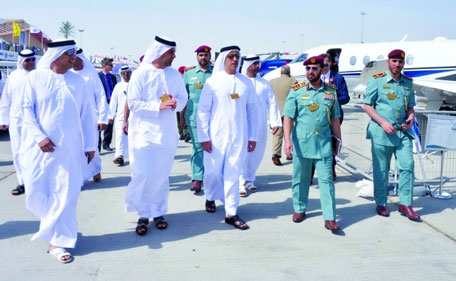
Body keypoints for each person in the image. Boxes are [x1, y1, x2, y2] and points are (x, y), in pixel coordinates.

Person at [19, 39, 96, 263]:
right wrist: (39, 137)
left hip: (70, 149)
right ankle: (52, 225)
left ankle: (59, 241)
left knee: (66, 193)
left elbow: (87, 115)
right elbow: (26, 110)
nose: (74, 58)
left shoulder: (79, 82)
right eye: (69, 54)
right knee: (36, 191)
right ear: (56, 55)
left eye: (75, 54)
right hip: (39, 150)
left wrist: (90, 145)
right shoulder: (36, 78)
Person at [125, 36, 187, 236]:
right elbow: (133, 103)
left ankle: (159, 212)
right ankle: (143, 214)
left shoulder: (175, 75)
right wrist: (158, 106)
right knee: (143, 172)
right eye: (171, 53)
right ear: (161, 52)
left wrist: (177, 103)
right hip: (143, 132)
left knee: (161, 174)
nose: (174, 56)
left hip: (167, 132)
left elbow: (184, 98)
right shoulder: (140, 74)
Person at [197, 45, 257, 230]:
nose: (234, 59)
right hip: (215, 137)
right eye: (231, 56)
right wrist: (204, 137)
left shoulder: (245, 83)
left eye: (237, 56)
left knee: (233, 172)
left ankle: (231, 212)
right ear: (224, 59)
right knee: (213, 172)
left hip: (239, 136)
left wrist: (252, 137)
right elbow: (203, 111)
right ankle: (210, 196)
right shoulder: (213, 82)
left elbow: (252, 111)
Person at [283, 56, 342, 232]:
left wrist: (338, 141)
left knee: (327, 181)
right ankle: (300, 209)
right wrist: (287, 141)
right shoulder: (297, 91)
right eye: (308, 69)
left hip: (323, 145)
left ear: (321, 70)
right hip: (302, 144)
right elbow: (288, 117)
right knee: (300, 180)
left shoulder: (330, 92)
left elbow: (335, 119)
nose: (310, 72)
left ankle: (330, 217)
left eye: (314, 69)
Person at [363, 49, 420, 221]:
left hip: (403, 132)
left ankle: (405, 204)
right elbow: (367, 105)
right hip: (382, 133)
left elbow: (411, 107)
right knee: (381, 169)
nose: (397, 64)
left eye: (400, 62)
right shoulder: (377, 80)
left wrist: (410, 117)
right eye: (394, 61)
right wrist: (382, 122)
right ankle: (381, 203)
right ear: (388, 62)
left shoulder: (408, 83)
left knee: (407, 165)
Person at [239, 55, 281, 196]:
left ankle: (250, 180)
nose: (258, 66)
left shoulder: (264, 83)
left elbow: (272, 103)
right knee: (243, 153)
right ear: (248, 65)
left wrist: (275, 122)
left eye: (258, 63)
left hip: (260, 124)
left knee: (257, 153)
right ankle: (240, 182)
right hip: (243, 124)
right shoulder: (240, 82)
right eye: (255, 63)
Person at [0, 49, 36, 195]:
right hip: (16, 120)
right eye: (28, 60)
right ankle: (22, 182)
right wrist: (3, 119)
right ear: (21, 62)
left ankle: (34, 182)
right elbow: (6, 99)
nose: (31, 62)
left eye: (33, 59)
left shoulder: (38, 76)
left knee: (34, 153)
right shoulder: (13, 76)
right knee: (17, 152)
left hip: (34, 121)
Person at [310, 53, 350, 182]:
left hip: (332, 117)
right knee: (313, 144)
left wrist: (332, 100)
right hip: (316, 118)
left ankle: (331, 170)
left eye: (326, 65)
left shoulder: (337, 78)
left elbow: (346, 97)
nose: (324, 68)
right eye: (322, 65)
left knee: (330, 145)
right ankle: (310, 174)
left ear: (331, 64)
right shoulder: (313, 76)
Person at [72, 48, 110, 182]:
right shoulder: (68, 74)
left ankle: (95, 170)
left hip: (91, 116)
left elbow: (100, 96)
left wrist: (103, 118)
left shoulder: (91, 74)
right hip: (73, 117)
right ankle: (80, 175)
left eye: (76, 58)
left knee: (92, 145)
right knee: (77, 147)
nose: (73, 60)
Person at [181, 45, 213, 193]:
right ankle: (197, 178)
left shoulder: (217, 73)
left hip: (214, 118)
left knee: (213, 148)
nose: (203, 58)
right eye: (201, 55)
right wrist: (181, 118)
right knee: (198, 147)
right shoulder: (189, 74)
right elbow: (183, 97)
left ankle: (211, 176)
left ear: (210, 57)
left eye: (206, 55)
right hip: (194, 118)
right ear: (197, 57)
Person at [269, 64, 296, 166]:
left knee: (277, 134)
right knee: (289, 134)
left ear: (280, 72)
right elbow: (299, 87)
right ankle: (289, 153)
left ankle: (276, 155)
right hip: (289, 112)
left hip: (277, 112)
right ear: (288, 73)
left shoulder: (272, 82)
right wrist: (292, 77)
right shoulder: (292, 81)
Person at [109, 65, 131, 166]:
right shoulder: (118, 86)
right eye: (124, 73)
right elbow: (113, 102)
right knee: (120, 136)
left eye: (128, 72)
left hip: (135, 116)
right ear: (121, 74)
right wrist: (110, 116)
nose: (126, 75)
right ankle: (119, 156)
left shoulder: (135, 84)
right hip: (121, 116)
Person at [98, 57, 117, 151]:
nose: (112, 67)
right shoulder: (98, 76)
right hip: (101, 102)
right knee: (99, 123)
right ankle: (97, 146)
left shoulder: (113, 77)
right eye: (111, 65)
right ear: (105, 65)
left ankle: (106, 144)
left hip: (111, 102)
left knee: (110, 123)